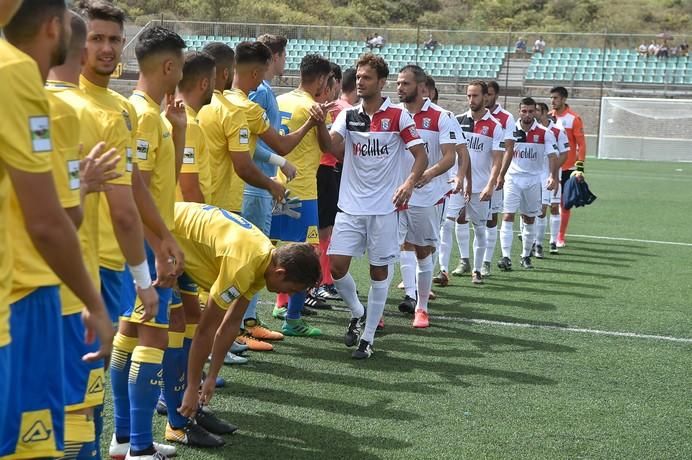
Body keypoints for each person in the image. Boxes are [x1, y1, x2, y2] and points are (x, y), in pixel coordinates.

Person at [0, 1, 114, 458]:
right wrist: (94, 302)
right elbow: (53, 221)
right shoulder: (17, 75)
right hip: (29, 295)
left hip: (29, 290)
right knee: (35, 445)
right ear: (55, 28)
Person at [75, 2, 182, 457]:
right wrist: (155, 247)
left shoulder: (119, 108)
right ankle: (127, 444)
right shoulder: (60, 102)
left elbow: (140, 182)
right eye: (96, 38)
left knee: (93, 382)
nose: (106, 48)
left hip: (116, 258)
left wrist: (161, 237)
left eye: (114, 39)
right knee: (76, 389)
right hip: (78, 262)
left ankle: (117, 444)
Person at [171, 202, 321, 417]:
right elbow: (208, 330)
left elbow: (231, 324)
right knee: (160, 329)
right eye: (292, 289)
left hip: (181, 243)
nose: (288, 294)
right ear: (280, 273)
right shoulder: (243, 267)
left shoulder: (265, 261)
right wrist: (194, 387)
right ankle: (167, 405)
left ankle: (178, 397)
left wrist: (212, 375)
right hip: (159, 234)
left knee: (191, 320)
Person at [328, 53, 428, 359]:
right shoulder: (347, 116)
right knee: (336, 267)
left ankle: (368, 338)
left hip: (384, 208)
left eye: (367, 77)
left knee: (378, 271)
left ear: (381, 82)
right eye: (358, 77)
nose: (360, 82)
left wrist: (408, 184)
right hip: (350, 205)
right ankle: (358, 312)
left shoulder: (398, 116)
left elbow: (421, 156)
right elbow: (331, 148)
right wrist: (320, 125)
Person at [271, 53, 334, 337]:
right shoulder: (315, 109)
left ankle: (273, 306)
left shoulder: (279, 100)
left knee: (266, 249)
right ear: (322, 79)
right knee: (306, 255)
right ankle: (292, 318)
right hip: (303, 191)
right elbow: (328, 147)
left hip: (272, 186)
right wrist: (321, 121)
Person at [395, 65, 456, 326]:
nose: (400, 88)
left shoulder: (441, 116)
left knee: (422, 250)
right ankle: (410, 297)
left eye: (405, 84)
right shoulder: (394, 114)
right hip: (397, 193)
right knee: (396, 248)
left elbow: (449, 156)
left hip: (427, 195)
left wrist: (427, 174)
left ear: (421, 88)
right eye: (398, 83)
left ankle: (422, 307)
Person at [197, 42, 286, 215]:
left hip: (190, 201)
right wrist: (271, 184)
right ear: (225, 72)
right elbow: (244, 166)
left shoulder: (189, 106)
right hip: (223, 206)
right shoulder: (234, 112)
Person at [497, 97, 558, 271]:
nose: (528, 114)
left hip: (533, 180)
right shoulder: (510, 130)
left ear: (536, 112)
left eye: (531, 111)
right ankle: (506, 256)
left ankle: (525, 256)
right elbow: (502, 153)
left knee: (529, 218)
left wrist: (553, 176)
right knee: (507, 215)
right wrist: (500, 175)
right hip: (513, 178)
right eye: (524, 111)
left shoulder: (544, 132)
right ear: (519, 111)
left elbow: (552, 155)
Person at [453, 81, 504, 284]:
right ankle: (452, 266)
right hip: (458, 184)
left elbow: (497, 160)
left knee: (480, 227)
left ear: (485, 97)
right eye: (468, 96)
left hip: (481, 186)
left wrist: (491, 185)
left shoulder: (495, 125)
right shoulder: (457, 121)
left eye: (475, 96)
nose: (471, 100)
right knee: (452, 221)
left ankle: (477, 269)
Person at [315, 65, 357, 301]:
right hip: (330, 170)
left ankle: (323, 281)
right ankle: (324, 281)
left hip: (319, 170)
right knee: (326, 230)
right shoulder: (347, 110)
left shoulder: (329, 107)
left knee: (322, 229)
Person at [482, 80, 516, 277]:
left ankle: (486, 261)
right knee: (461, 218)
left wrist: (501, 174)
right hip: (474, 176)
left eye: (489, 94)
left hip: (494, 176)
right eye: (483, 94)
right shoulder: (472, 116)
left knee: (491, 218)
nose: (486, 97)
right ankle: (465, 261)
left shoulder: (505, 118)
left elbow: (509, 147)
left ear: (496, 95)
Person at [549, 86, 586, 248]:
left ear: (563, 99)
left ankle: (560, 236)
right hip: (550, 168)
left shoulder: (574, 119)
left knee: (564, 203)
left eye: (556, 98)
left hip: (568, 169)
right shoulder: (548, 117)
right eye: (552, 98)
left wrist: (580, 168)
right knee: (544, 202)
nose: (553, 101)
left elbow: (581, 144)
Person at [534, 102, 569, 256]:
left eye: (537, 111)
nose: (534, 114)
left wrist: (553, 173)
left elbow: (564, 154)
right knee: (539, 210)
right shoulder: (531, 130)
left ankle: (553, 241)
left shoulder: (557, 131)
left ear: (545, 113)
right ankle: (537, 243)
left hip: (554, 176)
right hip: (535, 176)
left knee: (554, 208)